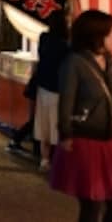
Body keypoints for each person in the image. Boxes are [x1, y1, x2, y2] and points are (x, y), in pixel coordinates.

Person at [50, 9, 112, 222]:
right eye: (111, 32)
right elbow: (66, 102)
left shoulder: (109, 61)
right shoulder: (74, 62)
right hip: (84, 140)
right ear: (96, 35)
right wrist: (65, 134)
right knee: (92, 204)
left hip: (111, 140)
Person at [34, 10, 71, 171]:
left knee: (44, 125)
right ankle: (57, 162)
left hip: (42, 87)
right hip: (58, 89)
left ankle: (44, 160)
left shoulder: (44, 38)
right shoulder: (66, 45)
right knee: (56, 125)